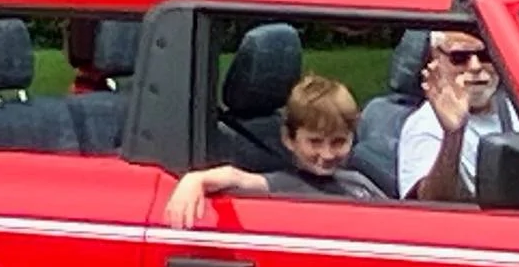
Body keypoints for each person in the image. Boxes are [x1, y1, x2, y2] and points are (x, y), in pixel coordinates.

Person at [165, 73, 385, 228]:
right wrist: (195, 180)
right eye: (315, 142)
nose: (327, 154)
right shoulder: (285, 185)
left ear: (352, 137)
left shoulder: (357, 181)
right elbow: (235, 177)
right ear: (289, 139)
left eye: (338, 142)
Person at [398, 28, 517, 202]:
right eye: (459, 57)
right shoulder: (425, 124)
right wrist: (453, 135)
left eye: (486, 55)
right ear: (435, 61)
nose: (475, 66)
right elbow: (430, 203)